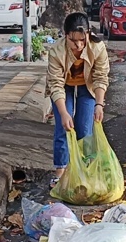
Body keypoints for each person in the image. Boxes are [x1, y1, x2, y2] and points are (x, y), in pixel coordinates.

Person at [46, 12, 110, 187]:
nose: (79, 45)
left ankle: (85, 170)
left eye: (83, 39)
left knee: (84, 129)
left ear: (89, 34)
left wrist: (99, 104)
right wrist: (64, 112)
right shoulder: (56, 51)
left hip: (87, 86)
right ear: (65, 35)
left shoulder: (98, 48)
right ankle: (60, 171)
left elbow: (100, 77)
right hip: (63, 86)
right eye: (74, 41)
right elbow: (55, 84)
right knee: (63, 127)